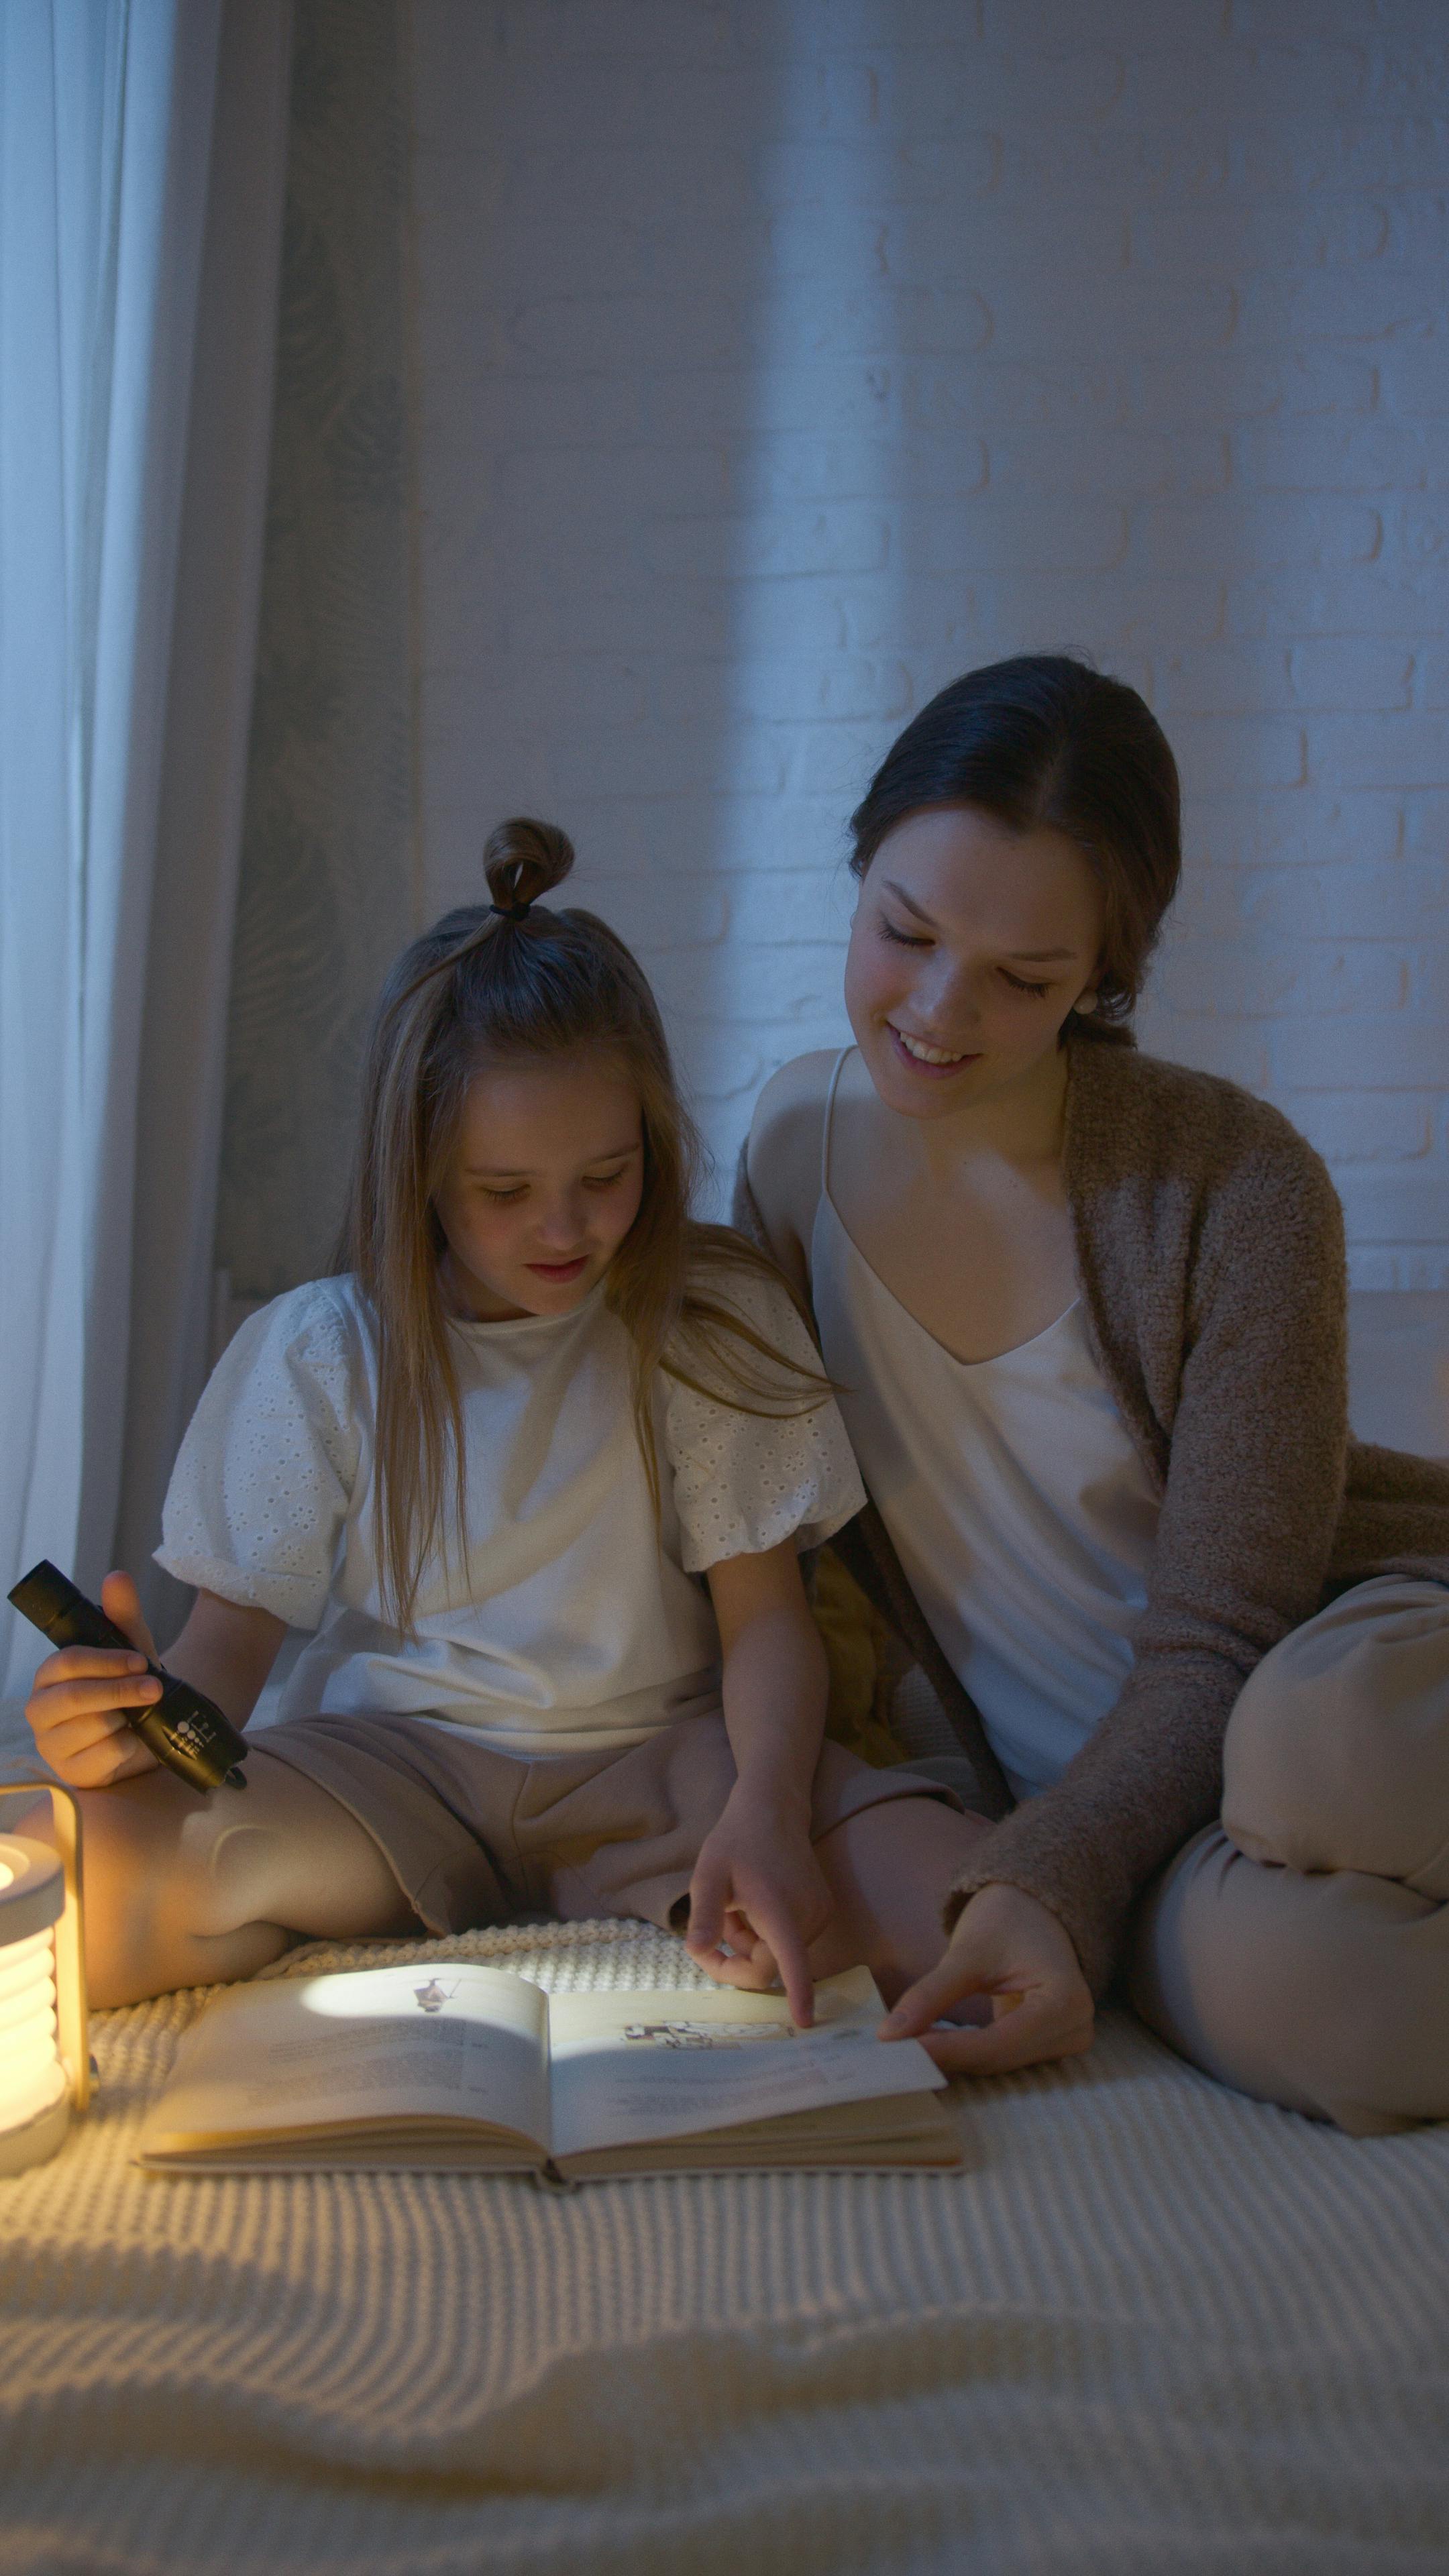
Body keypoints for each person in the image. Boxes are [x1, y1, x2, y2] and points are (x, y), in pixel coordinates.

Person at [25, 820, 992, 2018]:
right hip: (387, 1770)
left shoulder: (708, 1314)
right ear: (421, 1169)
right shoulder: (322, 1350)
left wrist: (766, 1811)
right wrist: (125, 1738)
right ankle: (324, 1893)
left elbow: (767, 1628)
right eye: (504, 1193)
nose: (566, 1230)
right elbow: (222, 1662)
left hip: (666, 1760)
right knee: (76, 1887)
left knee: (967, 1902)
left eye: (608, 1176)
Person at [739, 655, 1449, 2137]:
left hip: (1311, 1671)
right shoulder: (790, 1148)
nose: (938, 1011)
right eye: (904, 932)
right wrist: (1043, 1875)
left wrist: (1051, 1869)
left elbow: (1224, 1636)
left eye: (1026, 980)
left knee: (1320, 1753)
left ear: (1106, 976)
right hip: (1137, 1821)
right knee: (1332, 2016)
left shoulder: (1238, 1186)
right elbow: (754, 1542)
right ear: (860, 865)